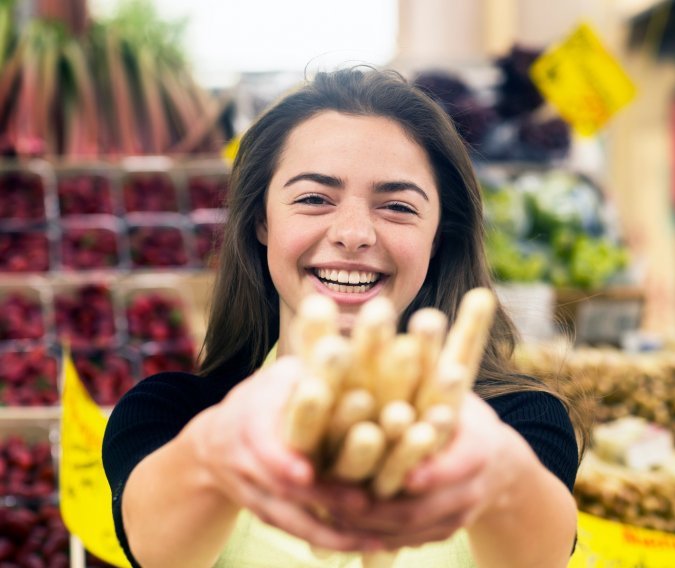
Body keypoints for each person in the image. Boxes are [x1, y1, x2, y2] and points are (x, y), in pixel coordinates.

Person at [103, 67, 582, 568]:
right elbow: (154, 546)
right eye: (313, 199)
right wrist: (214, 452)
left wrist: (502, 474)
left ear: (437, 237)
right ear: (262, 220)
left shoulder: (519, 420)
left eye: (397, 206)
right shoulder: (173, 412)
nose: (354, 234)